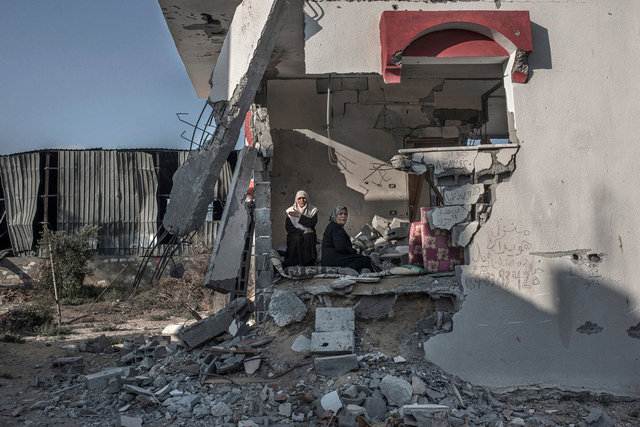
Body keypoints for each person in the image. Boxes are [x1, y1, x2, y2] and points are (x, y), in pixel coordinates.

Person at [321, 206, 374, 273]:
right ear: (335, 216)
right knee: (366, 260)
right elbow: (340, 247)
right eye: (340, 214)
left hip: (329, 259)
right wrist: (353, 251)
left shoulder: (333, 226)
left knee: (360, 259)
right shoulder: (336, 228)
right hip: (333, 260)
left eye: (345, 214)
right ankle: (346, 270)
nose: (343, 216)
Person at [283, 190, 318, 267]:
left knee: (308, 237)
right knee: (296, 239)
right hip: (294, 233)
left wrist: (299, 215)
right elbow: (289, 228)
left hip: (309, 232)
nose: (302, 200)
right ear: (296, 200)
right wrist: (302, 232)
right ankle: (295, 262)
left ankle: (308, 263)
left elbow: (312, 224)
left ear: (307, 199)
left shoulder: (313, 210)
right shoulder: (290, 211)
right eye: (299, 198)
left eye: (304, 198)